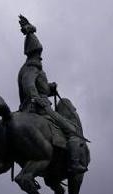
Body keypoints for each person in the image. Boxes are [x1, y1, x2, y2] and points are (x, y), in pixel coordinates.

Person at [17, 15, 89, 175]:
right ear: (34, 53)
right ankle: (74, 163)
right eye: (38, 53)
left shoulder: (33, 67)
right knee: (72, 130)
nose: (40, 56)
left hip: (38, 102)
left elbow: (39, 88)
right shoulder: (31, 68)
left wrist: (50, 88)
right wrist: (37, 98)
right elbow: (29, 85)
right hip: (38, 107)